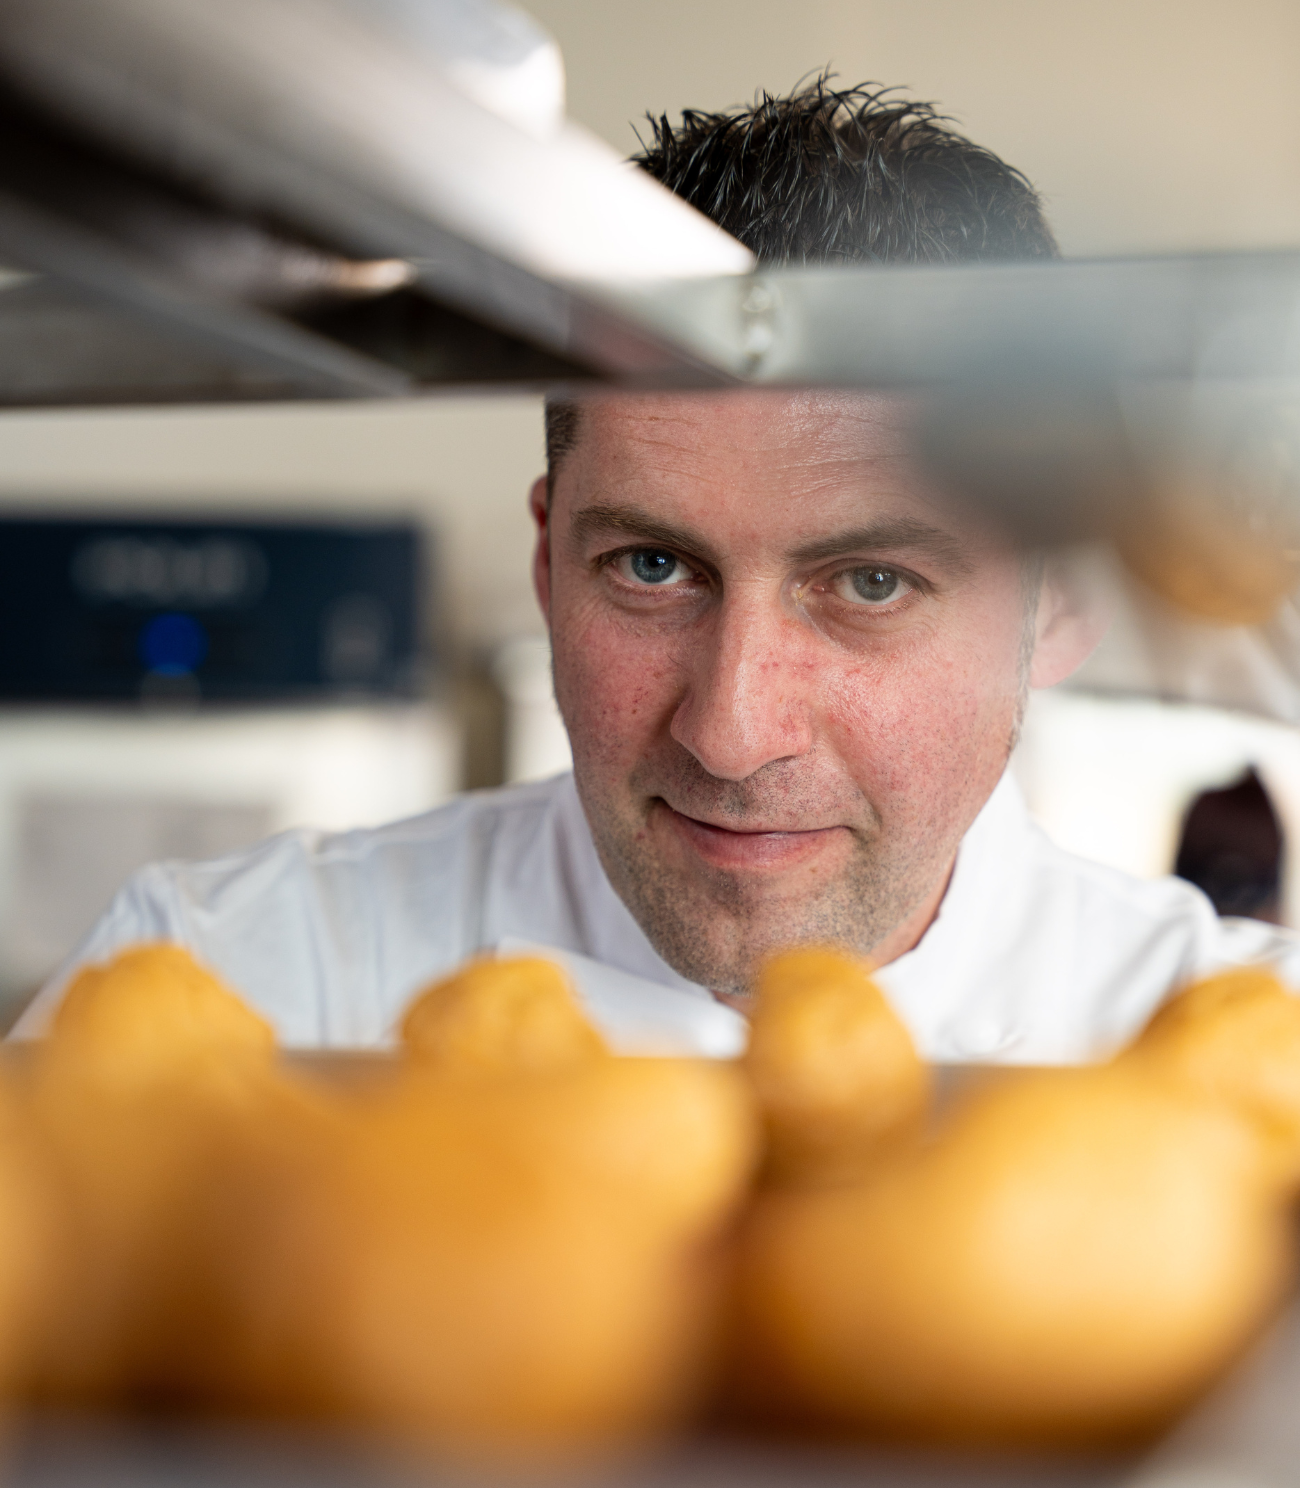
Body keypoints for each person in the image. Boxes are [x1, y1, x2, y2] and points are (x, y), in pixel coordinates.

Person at [15, 81, 1300, 1058]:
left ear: (1061, 601)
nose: (731, 731)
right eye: (650, 565)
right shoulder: (228, 987)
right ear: (547, 563)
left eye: (869, 584)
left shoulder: (1245, 1057)